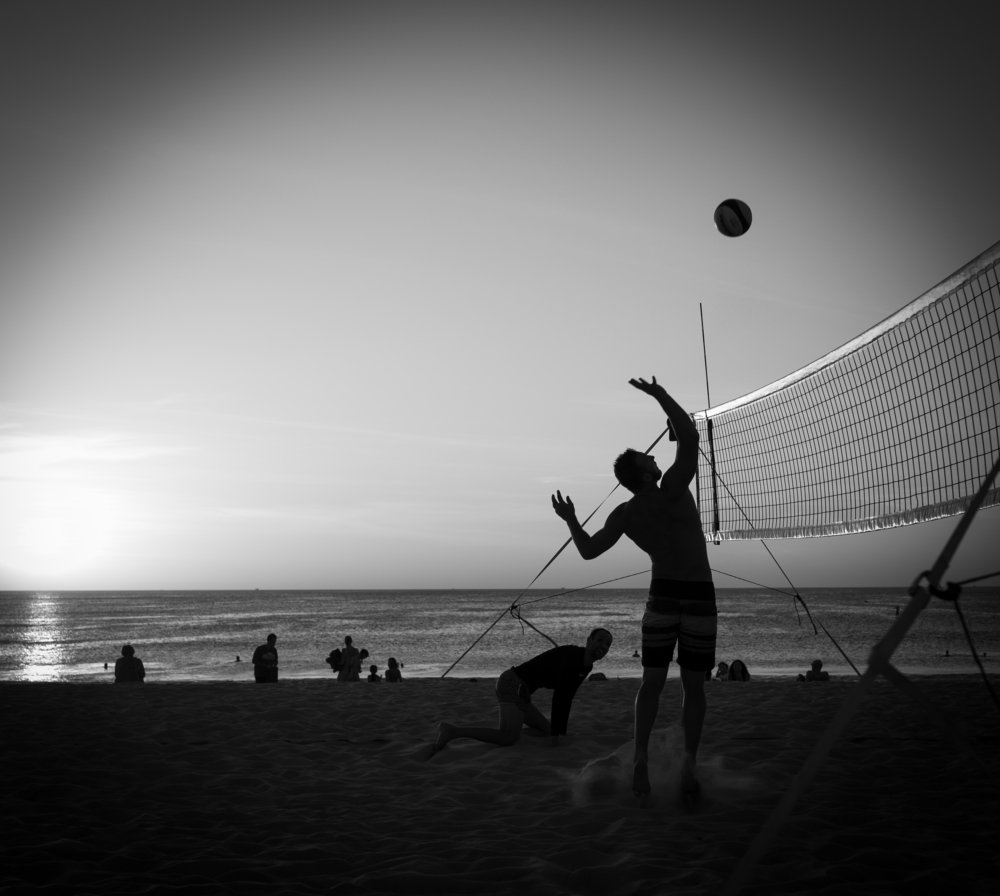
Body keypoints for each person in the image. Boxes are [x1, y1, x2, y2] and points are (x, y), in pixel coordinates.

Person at [552, 375, 716, 806]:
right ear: (646, 471)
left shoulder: (626, 513)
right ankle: (688, 768)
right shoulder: (674, 488)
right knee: (693, 689)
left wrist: (570, 518)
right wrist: (660, 394)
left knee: (652, 683)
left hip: (661, 596)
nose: (655, 457)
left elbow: (587, 551)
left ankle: (641, 758)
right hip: (698, 594)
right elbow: (691, 436)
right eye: (650, 457)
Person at [431, 628, 613, 754]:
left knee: (548, 730)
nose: (603, 646)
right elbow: (560, 699)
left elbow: (568, 698)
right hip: (511, 684)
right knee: (508, 737)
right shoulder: (573, 657)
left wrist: (559, 733)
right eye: (599, 640)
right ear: (589, 640)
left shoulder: (586, 666)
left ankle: (518, 729)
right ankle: (452, 731)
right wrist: (559, 737)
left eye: (607, 644)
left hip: (523, 692)